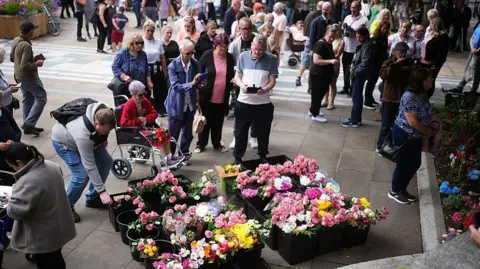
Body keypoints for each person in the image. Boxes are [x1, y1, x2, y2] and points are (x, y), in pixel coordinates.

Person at [5, 142, 76, 269]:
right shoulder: (51, 165)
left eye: (12, 166)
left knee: (48, 263)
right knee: (56, 258)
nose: (13, 169)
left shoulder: (28, 182)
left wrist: (12, 198)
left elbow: (14, 212)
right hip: (58, 225)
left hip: (43, 236)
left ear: (19, 162)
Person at [51, 101, 116, 222]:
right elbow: (89, 165)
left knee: (106, 161)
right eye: (104, 131)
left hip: (90, 139)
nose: (106, 133)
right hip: (64, 142)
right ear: (96, 124)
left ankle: (92, 198)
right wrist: (102, 191)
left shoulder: (106, 111)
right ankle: (66, 207)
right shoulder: (82, 134)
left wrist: (103, 137)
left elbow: (105, 128)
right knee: (82, 175)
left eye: (108, 131)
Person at [388, 68, 432, 204]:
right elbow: (412, 122)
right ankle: (395, 190)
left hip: (415, 136)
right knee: (403, 164)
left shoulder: (422, 93)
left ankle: (402, 189)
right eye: (429, 78)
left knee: (414, 163)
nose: (432, 80)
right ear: (422, 81)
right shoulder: (410, 96)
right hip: (405, 134)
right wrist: (428, 132)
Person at [232, 35, 278, 165]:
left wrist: (264, 89)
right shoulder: (243, 56)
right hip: (244, 102)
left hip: (263, 103)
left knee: (263, 132)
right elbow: (238, 76)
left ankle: (263, 155)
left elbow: (272, 80)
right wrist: (242, 86)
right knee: (240, 132)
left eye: (260, 50)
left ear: (265, 49)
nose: (257, 52)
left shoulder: (270, 59)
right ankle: (238, 157)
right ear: (251, 45)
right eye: (255, 49)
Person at [165, 39, 207, 163]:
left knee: (188, 133)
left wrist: (201, 84)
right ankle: (171, 157)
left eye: (192, 53)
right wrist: (192, 84)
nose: (190, 56)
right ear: (180, 52)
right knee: (173, 134)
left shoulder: (195, 64)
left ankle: (184, 154)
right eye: (187, 53)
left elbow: (197, 84)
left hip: (190, 104)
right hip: (176, 105)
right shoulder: (173, 65)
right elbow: (176, 86)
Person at [196, 34, 234, 153]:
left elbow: (231, 74)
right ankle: (201, 144)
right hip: (206, 95)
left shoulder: (229, 57)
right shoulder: (207, 55)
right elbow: (198, 72)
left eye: (225, 47)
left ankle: (217, 143)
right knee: (205, 121)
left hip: (222, 95)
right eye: (220, 47)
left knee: (218, 122)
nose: (223, 50)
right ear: (215, 46)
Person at [11, 21, 47, 136]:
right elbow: (25, 66)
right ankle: (29, 124)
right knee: (41, 97)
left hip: (18, 76)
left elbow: (13, 59)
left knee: (28, 98)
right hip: (28, 78)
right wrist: (37, 63)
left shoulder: (16, 40)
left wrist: (31, 60)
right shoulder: (26, 45)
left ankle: (27, 123)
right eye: (33, 30)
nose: (34, 31)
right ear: (30, 32)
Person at [228, 17, 259, 150]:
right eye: (242, 28)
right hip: (241, 83)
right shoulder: (235, 44)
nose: (245, 31)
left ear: (251, 28)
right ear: (239, 29)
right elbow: (231, 62)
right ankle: (238, 136)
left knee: (256, 110)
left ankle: (253, 136)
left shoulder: (258, 40)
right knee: (239, 111)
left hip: (257, 81)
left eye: (248, 28)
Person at [377, 41, 414, 151]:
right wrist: (397, 64)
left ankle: (391, 143)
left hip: (402, 99)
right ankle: (381, 146)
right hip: (389, 98)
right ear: (395, 51)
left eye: (405, 52)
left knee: (397, 124)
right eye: (401, 52)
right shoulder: (389, 62)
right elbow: (384, 75)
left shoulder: (408, 63)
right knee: (386, 124)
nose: (403, 54)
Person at [342, 27, 376, 127]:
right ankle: (356, 118)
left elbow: (365, 62)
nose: (358, 39)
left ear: (365, 36)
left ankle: (355, 120)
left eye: (360, 37)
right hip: (360, 72)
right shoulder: (366, 45)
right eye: (357, 37)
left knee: (356, 97)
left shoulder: (368, 46)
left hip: (360, 74)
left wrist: (354, 71)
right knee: (356, 96)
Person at [308, 25, 339, 123]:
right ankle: (315, 114)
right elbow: (316, 60)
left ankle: (312, 110)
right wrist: (331, 61)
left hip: (324, 74)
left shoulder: (328, 43)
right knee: (317, 94)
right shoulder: (321, 44)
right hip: (318, 74)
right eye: (330, 36)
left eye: (334, 37)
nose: (332, 39)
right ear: (326, 34)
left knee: (320, 93)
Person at [339, 0, 370, 96]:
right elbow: (342, 31)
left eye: (354, 8)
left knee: (354, 70)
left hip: (357, 49)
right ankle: (346, 86)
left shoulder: (364, 20)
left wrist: (354, 32)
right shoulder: (347, 17)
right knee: (345, 68)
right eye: (351, 7)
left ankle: (352, 89)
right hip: (346, 48)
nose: (352, 9)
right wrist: (344, 31)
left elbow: (367, 34)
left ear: (359, 8)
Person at [112, 34, 152, 98]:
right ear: (132, 43)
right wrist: (124, 76)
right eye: (137, 43)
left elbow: (146, 69)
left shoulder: (143, 54)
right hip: (126, 87)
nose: (140, 45)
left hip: (139, 88)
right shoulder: (124, 52)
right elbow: (114, 66)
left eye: (141, 43)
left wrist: (149, 82)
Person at [143, 20, 168, 116]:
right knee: (146, 91)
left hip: (157, 68)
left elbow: (162, 57)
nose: (150, 33)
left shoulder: (158, 42)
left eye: (152, 31)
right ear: (144, 29)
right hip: (146, 68)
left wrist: (165, 71)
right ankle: (147, 110)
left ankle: (159, 109)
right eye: (148, 30)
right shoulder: (141, 41)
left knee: (159, 91)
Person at [420, 17, 449, 98]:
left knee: (430, 81)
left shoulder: (442, 36)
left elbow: (442, 52)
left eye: (431, 23)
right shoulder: (431, 33)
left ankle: (427, 97)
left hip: (431, 64)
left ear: (436, 25)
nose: (430, 25)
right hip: (423, 61)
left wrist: (436, 65)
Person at [364, 20, 390, 109]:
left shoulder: (384, 38)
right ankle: (367, 100)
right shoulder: (375, 39)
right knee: (371, 81)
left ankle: (370, 98)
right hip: (373, 64)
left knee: (373, 81)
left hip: (380, 63)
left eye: (387, 29)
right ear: (380, 28)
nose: (385, 30)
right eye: (384, 28)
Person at [296, 1, 323, 87]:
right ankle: (311, 81)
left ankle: (299, 77)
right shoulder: (317, 16)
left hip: (308, 39)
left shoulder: (310, 14)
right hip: (313, 40)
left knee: (305, 60)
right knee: (313, 61)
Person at [451, 25, 480, 94]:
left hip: (478, 53)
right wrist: (472, 47)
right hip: (473, 52)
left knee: (477, 73)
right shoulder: (479, 25)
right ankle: (460, 87)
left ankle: (473, 90)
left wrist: (477, 50)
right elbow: (472, 37)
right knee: (468, 69)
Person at [323, 24, 344, 110]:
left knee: (332, 83)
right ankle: (325, 100)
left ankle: (331, 102)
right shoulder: (326, 39)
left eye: (336, 31)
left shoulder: (341, 41)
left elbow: (338, 54)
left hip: (334, 64)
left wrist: (329, 57)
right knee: (325, 83)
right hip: (325, 63)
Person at [0, 92, 21, 176]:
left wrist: (13, 142)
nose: (2, 103)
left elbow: (17, 131)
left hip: (12, 157)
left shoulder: (4, 111)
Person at [0, 48, 19, 115]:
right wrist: (9, 90)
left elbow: (3, 83)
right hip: (3, 107)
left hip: (8, 104)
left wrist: (9, 86)